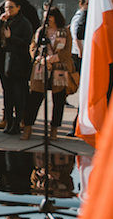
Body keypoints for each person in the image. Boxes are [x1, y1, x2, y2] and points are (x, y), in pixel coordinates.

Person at [22, 8, 75, 140]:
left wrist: (51, 59)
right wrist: (40, 59)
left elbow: (67, 51)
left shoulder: (65, 32)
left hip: (60, 68)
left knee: (59, 99)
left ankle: (54, 130)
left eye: (49, 17)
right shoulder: (40, 31)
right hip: (41, 67)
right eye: (45, 17)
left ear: (56, 18)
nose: (47, 20)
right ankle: (28, 127)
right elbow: (33, 47)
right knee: (35, 98)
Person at [0, 0, 33, 136]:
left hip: (18, 61)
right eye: (6, 8)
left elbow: (27, 41)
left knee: (18, 94)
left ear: (18, 8)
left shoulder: (24, 22)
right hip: (4, 60)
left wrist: (11, 37)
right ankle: (8, 121)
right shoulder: (4, 21)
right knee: (7, 93)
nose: (8, 10)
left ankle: (17, 122)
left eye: (11, 7)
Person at [69, 0, 88, 71]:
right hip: (78, 52)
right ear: (81, 4)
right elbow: (75, 35)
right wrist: (80, 50)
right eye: (87, 4)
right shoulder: (79, 16)